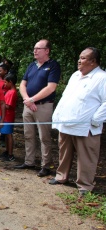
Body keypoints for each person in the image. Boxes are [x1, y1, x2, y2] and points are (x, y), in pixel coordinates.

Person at [49, 47, 106, 196]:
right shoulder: (75, 75)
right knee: (64, 152)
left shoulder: (102, 77)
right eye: (80, 57)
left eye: (83, 58)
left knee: (86, 157)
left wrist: (95, 120)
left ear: (93, 62)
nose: (79, 61)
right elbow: (67, 97)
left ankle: (85, 185)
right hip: (66, 123)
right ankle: (62, 177)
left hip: (85, 127)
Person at [15, 39, 61, 177]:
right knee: (28, 135)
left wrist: (32, 99)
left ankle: (46, 165)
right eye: (34, 48)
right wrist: (27, 100)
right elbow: (22, 85)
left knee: (44, 137)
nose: (35, 51)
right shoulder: (31, 65)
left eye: (38, 48)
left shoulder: (53, 66)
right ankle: (29, 162)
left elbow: (51, 87)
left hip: (43, 106)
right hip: (28, 106)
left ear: (47, 51)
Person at [0, 74, 18, 161]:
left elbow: (8, 106)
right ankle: (7, 151)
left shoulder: (12, 92)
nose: (5, 84)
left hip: (8, 116)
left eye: (6, 82)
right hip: (6, 116)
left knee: (9, 135)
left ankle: (10, 154)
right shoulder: (9, 91)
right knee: (6, 135)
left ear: (10, 82)